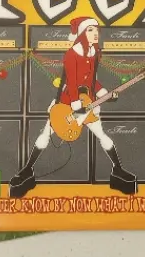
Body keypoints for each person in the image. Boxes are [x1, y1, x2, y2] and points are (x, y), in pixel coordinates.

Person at [8, 17, 137, 197]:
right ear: (82, 33)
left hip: (88, 102)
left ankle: (118, 169)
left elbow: (92, 81)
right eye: (90, 30)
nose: (95, 33)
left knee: (102, 135)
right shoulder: (72, 54)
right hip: (67, 103)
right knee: (46, 134)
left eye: (96, 30)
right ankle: (27, 169)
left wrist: (105, 94)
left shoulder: (94, 53)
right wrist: (76, 106)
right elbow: (73, 81)